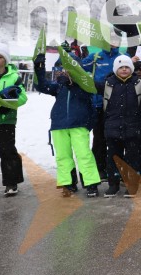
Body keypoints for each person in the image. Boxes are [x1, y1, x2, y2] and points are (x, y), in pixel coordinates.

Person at [34, 53, 100, 197]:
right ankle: (68, 183)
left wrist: (72, 84)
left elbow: (88, 97)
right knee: (63, 156)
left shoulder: (84, 84)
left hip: (79, 124)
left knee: (84, 154)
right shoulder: (59, 86)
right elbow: (41, 86)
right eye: (61, 67)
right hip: (59, 125)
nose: (63, 70)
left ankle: (91, 183)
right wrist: (39, 68)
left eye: (67, 67)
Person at [98, 55, 141, 198]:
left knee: (132, 158)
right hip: (113, 128)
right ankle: (113, 184)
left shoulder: (138, 83)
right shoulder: (108, 83)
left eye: (127, 67)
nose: (124, 70)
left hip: (132, 127)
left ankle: (132, 184)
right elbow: (89, 83)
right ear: (115, 69)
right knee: (113, 158)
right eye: (121, 67)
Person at [81, 44, 121, 181]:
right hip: (98, 103)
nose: (112, 43)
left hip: (117, 105)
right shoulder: (95, 57)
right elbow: (78, 69)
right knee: (99, 137)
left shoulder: (123, 57)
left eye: (115, 40)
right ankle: (99, 168)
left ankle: (116, 169)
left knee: (117, 138)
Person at [0, 44, 27, 196]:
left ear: (6, 60)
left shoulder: (14, 77)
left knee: (7, 150)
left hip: (6, 119)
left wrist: (9, 100)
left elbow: (23, 98)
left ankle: (11, 182)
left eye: (0, 57)